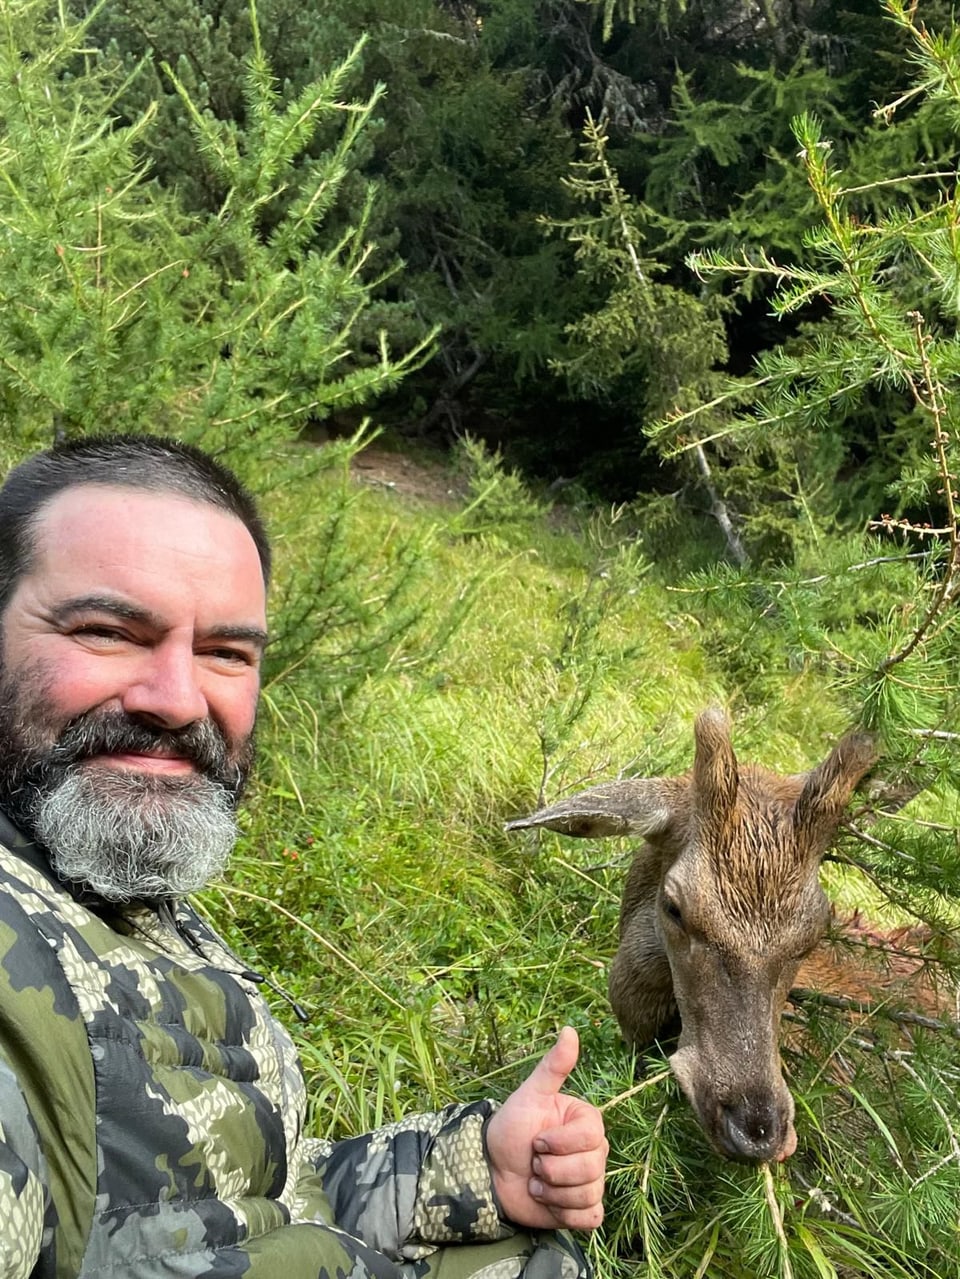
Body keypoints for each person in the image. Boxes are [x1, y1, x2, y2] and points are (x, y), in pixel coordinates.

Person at [0, 435, 607, 1279]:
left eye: (225, 653)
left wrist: (463, 1170)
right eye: (108, 631)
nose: (177, 699)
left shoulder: (107, 875)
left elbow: (241, 1196)